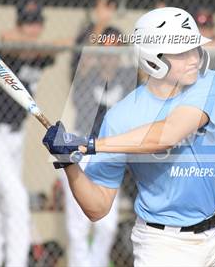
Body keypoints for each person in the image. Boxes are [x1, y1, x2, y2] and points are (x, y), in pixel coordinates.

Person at [42, 7, 215, 266]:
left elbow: (168, 134)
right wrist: (68, 162)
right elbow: (97, 208)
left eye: (195, 48)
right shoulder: (120, 117)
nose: (194, 58)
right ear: (153, 58)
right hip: (163, 246)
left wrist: (90, 145)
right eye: (182, 53)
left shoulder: (211, 84)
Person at [0, 0, 60, 267]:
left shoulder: (40, 54)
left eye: (36, 23)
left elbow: (58, 47)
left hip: (16, 137)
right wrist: (18, 40)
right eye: (27, 23)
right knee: (17, 199)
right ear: (18, 23)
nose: (32, 28)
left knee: (0, 207)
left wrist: (32, 44)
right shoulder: (5, 51)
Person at [63, 25, 133, 267]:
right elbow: (80, 55)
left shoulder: (127, 76)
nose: (110, 55)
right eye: (105, 49)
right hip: (81, 149)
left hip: (108, 153)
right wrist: (100, 24)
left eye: (115, 50)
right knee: (78, 227)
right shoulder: (86, 74)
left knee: (107, 225)